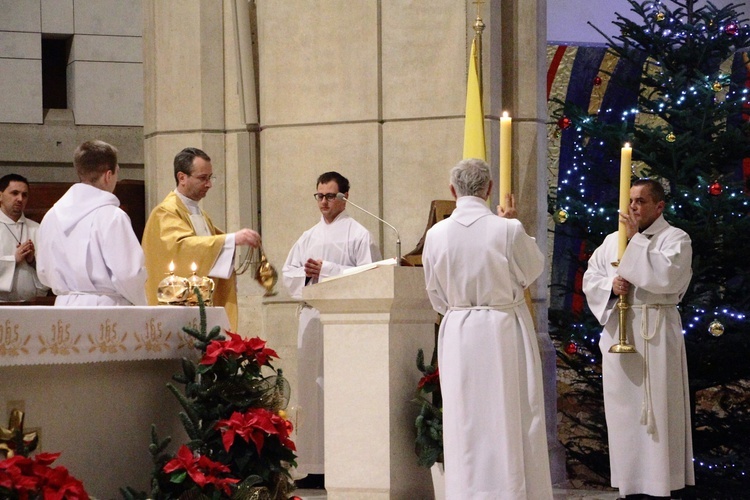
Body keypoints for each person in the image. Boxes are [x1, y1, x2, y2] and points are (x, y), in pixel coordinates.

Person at [422, 158, 552, 499]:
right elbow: (533, 268)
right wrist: (513, 224)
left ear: (452, 190)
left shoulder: (435, 235)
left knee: (464, 418)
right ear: (489, 188)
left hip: (458, 330)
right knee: (509, 412)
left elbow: (435, 293)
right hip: (502, 330)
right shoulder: (506, 229)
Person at [583, 178, 694, 498]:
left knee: (659, 409)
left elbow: (665, 278)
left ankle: (661, 484)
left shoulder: (676, 239)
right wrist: (610, 287)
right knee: (625, 413)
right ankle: (630, 484)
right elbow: (592, 278)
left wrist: (635, 244)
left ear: (659, 206)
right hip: (621, 333)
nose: (633, 207)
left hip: (657, 332)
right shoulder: (610, 241)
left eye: (641, 201)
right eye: (630, 200)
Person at [282, 171, 381, 486]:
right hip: (312, 320)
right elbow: (288, 275)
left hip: (346, 324)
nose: (323, 202)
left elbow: (370, 279)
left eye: (329, 196)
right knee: (312, 392)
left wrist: (327, 271)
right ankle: (313, 467)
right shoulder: (308, 236)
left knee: (343, 391)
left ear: (345, 197)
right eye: (319, 196)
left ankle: (346, 464)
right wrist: (309, 277)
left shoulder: (359, 234)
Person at [141, 147, 260, 329]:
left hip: (202, 307)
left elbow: (208, 244)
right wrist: (230, 240)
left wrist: (231, 241)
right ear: (182, 177)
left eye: (210, 177)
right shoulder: (166, 212)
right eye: (202, 178)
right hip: (177, 311)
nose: (209, 184)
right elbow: (181, 248)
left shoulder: (198, 213)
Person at [36, 140, 147, 306]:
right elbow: (128, 275)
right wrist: (144, 304)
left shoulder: (51, 216)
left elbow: (44, 273)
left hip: (64, 308)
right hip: (106, 310)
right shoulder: (112, 216)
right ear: (108, 175)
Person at [0, 174, 49, 302]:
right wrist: (13, 260)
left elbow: (50, 269)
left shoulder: (37, 229)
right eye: (14, 193)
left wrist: (32, 261)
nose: (20, 199)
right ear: (0, 196)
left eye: (24, 195)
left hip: (31, 305)